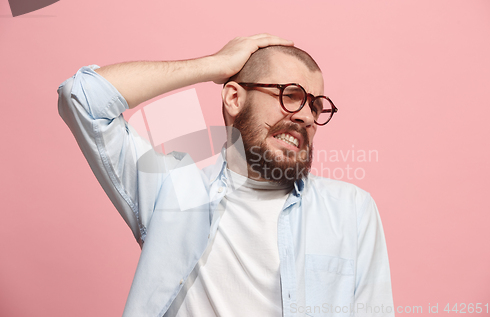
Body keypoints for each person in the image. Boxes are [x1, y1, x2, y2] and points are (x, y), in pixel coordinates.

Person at [58, 34, 394, 317]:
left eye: (316, 107)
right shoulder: (172, 193)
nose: (306, 116)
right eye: (291, 96)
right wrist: (213, 65)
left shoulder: (352, 210)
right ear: (234, 98)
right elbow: (83, 98)